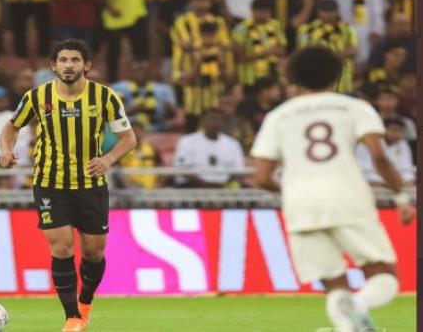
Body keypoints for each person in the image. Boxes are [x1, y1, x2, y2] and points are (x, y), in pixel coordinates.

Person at [252, 46, 415, 331]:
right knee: (384, 277)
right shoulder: (354, 108)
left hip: (301, 203)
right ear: (337, 76)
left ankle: (348, 322)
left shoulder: (278, 116)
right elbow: (378, 156)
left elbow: (263, 177)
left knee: (334, 284)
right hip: (346, 194)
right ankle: (358, 305)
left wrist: (293, 191)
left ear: (293, 78)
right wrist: (401, 196)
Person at [0, 39, 136, 332]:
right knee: (61, 247)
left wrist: (108, 159)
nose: (69, 65)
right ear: (53, 66)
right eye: (63, 60)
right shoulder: (37, 96)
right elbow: (11, 126)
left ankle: (85, 302)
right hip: (50, 182)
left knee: (94, 252)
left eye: (75, 60)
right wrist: (6, 150)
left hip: (91, 183)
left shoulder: (105, 97)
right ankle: (72, 316)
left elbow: (129, 139)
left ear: (87, 65)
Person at [173, 108, 245, 188]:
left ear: (224, 123)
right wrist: (205, 184)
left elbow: (238, 171)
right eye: (211, 119)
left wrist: (223, 185)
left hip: (224, 188)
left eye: (219, 120)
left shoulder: (233, 144)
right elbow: (181, 167)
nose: (215, 123)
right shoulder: (187, 141)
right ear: (202, 122)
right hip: (194, 187)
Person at [356, 117, 415, 186]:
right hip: (371, 183)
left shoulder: (403, 144)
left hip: (397, 184)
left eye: (401, 131)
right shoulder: (366, 144)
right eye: (394, 130)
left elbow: (406, 169)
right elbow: (365, 171)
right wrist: (387, 182)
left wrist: (407, 180)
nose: (398, 134)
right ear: (383, 131)